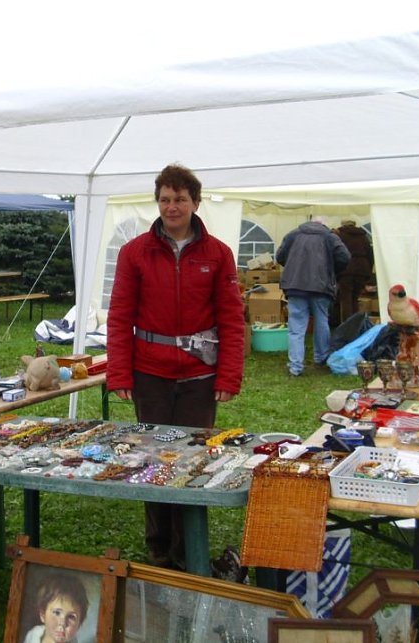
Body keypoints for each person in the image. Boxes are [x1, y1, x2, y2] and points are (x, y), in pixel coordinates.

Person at [106, 163, 245, 570]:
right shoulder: (135, 253)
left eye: (180, 199)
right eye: (165, 199)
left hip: (200, 377)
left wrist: (229, 374)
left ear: (195, 203)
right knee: (152, 459)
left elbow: (232, 319)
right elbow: (119, 316)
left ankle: (190, 549)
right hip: (150, 374)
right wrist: (119, 373)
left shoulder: (218, 254)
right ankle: (159, 546)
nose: (172, 206)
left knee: (193, 459)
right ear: (158, 202)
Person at [276, 217, 350, 376]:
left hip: (295, 285)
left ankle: (295, 366)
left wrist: (293, 267)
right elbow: (345, 257)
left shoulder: (293, 235)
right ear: (323, 224)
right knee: (321, 321)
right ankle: (321, 358)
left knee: (296, 326)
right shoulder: (330, 237)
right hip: (321, 286)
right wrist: (332, 270)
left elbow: (280, 256)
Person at [23, 572, 89, 643]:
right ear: (43, 615)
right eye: (57, 613)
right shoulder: (33, 635)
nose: (62, 623)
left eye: (71, 617)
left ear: (79, 625)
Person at [334, 219, 375, 323]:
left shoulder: (340, 236)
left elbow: (336, 254)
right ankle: (356, 324)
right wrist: (368, 273)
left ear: (343, 225)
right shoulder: (363, 236)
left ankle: (347, 326)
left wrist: (336, 271)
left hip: (346, 271)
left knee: (345, 299)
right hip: (362, 271)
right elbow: (370, 255)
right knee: (355, 298)